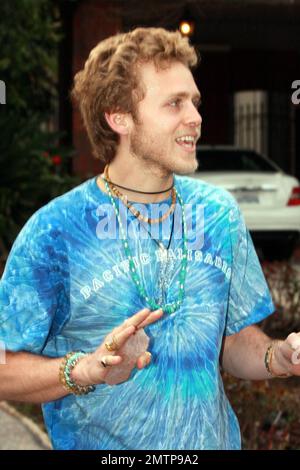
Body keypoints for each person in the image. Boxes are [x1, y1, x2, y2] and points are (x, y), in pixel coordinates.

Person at [0, 27, 300, 451]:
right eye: (174, 103)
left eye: (194, 102)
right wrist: (86, 370)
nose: (195, 117)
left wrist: (277, 358)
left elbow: (231, 342)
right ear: (119, 117)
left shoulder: (218, 214)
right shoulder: (57, 231)